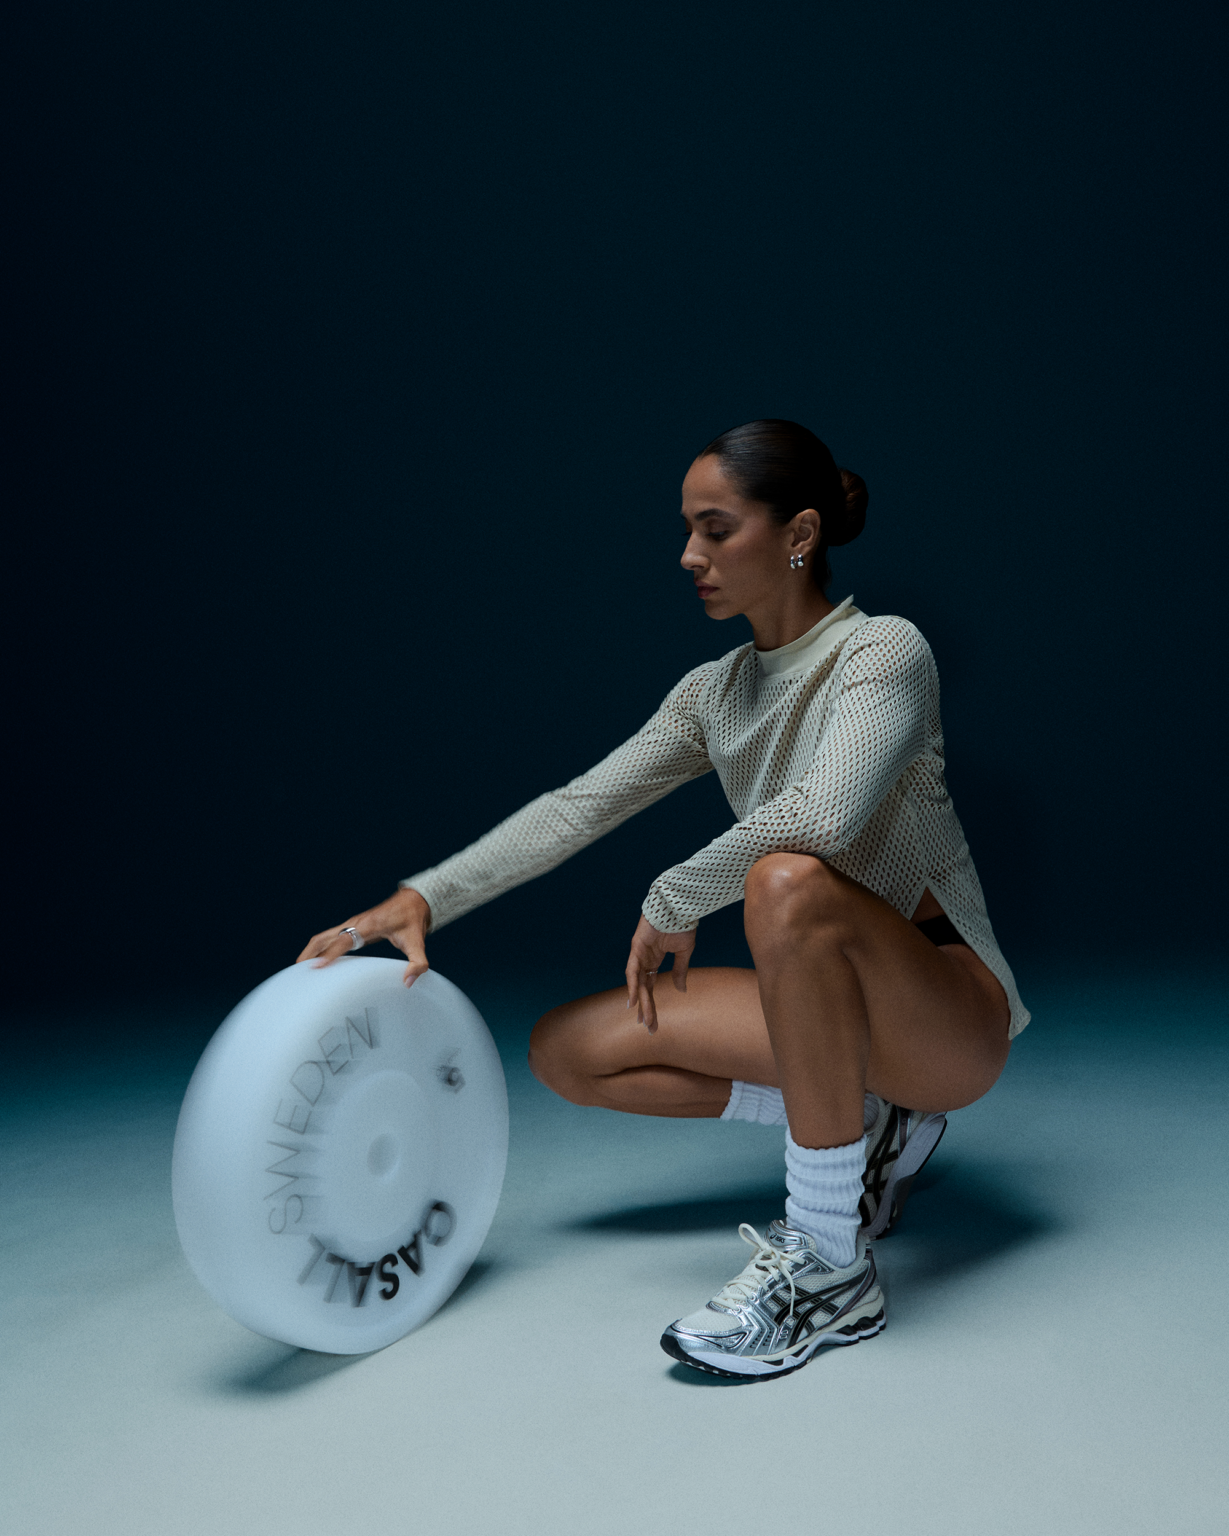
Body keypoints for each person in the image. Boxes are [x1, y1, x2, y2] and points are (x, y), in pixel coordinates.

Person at [299, 419, 1028, 1381]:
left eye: (715, 529)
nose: (689, 555)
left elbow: (824, 813)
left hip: (946, 1018)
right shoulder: (712, 694)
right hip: (831, 1011)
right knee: (571, 1050)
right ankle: (867, 1127)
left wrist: (677, 894)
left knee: (784, 880)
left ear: (799, 533)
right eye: (688, 530)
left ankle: (829, 1266)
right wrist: (422, 897)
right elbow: (576, 808)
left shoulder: (882, 651)